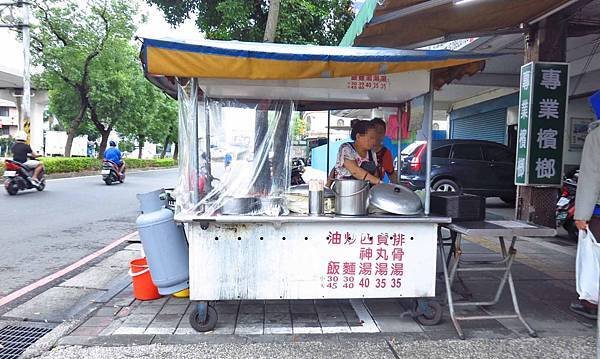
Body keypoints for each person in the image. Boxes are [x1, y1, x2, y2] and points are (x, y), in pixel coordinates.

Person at [571, 120, 600, 319]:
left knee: (595, 259)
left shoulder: (596, 136)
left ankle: (591, 302)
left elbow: (591, 176)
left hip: (598, 211)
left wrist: (581, 214)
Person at [327, 119, 381, 186]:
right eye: (371, 138)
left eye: (375, 138)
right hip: (345, 191)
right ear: (358, 137)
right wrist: (378, 181)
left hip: (365, 192)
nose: (374, 141)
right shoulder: (346, 148)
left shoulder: (372, 153)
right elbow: (355, 171)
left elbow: (375, 174)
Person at [371, 117, 398, 183]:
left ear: (384, 134)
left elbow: (391, 174)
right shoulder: (362, 149)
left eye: (380, 132)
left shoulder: (385, 153)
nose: (377, 135)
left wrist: (399, 188)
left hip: (377, 189)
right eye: (374, 132)